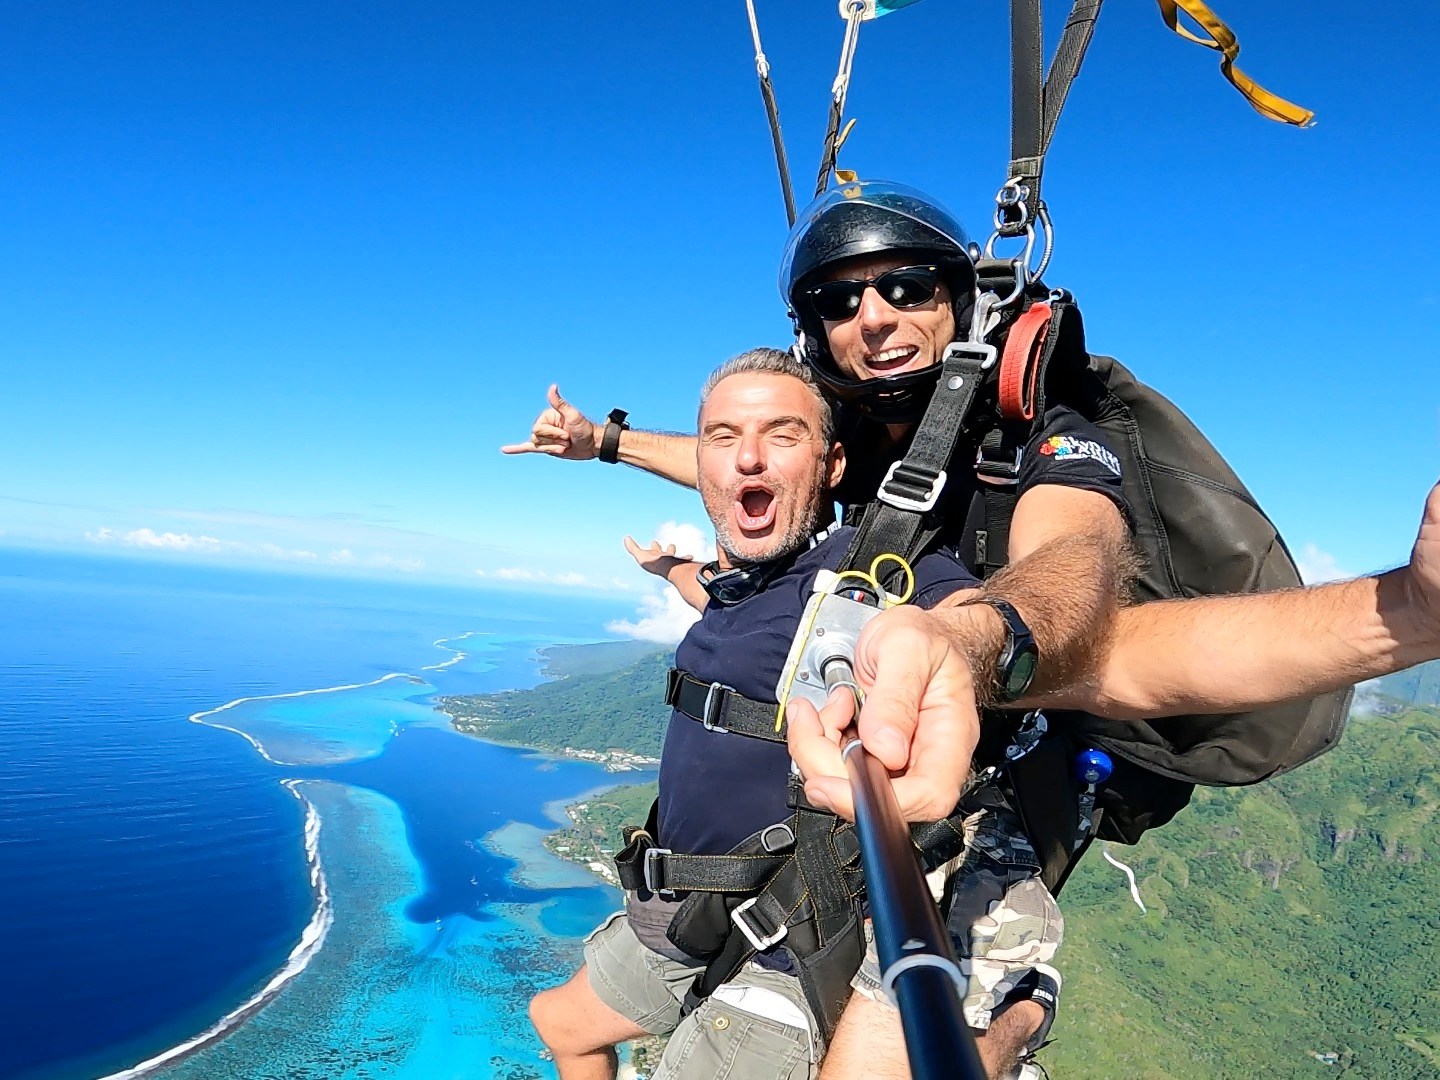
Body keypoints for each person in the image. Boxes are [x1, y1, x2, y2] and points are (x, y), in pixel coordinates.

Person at [528, 348, 986, 1079]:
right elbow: (714, 594)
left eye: (782, 435)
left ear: (833, 464)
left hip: (787, 933)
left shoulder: (871, 575)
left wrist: (951, 640)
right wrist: (668, 565)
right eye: (721, 437)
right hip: (679, 906)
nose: (747, 460)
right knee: (557, 1024)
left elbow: (969, 616)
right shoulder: (750, 583)